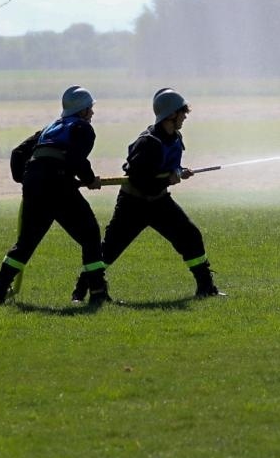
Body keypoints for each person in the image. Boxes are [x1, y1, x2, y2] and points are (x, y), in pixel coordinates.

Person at [77, 87, 223, 300]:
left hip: (159, 201)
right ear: (171, 114)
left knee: (190, 235)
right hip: (133, 204)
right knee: (109, 251)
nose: (184, 117)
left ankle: (206, 288)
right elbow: (140, 179)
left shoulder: (175, 137)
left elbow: (167, 168)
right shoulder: (148, 143)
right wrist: (167, 179)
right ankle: (80, 291)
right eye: (182, 113)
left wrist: (179, 172)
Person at [0, 85, 111, 306]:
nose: (92, 113)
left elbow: (18, 154)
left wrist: (26, 180)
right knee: (90, 235)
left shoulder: (50, 128)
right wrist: (90, 179)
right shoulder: (83, 128)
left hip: (35, 185)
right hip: (58, 185)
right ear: (82, 111)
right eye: (90, 108)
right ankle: (98, 292)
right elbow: (76, 158)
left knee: (25, 243)